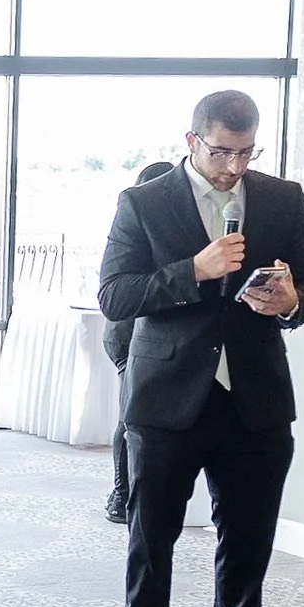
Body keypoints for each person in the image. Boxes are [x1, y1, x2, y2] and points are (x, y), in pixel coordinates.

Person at [99, 90, 304, 607]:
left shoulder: (283, 198)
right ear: (192, 140)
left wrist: (290, 304)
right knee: (152, 539)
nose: (233, 166)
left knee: (249, 539)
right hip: (167, 399)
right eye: (222, 151)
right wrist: (191, 269)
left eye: (247, 152)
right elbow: (115, 294)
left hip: (256, 400)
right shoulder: (143, 203)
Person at [105, 160, 182, 525]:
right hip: (127, 333)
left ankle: (142, 489)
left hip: (149, 334)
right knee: (131, 414)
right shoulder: (140, 225)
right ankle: (121, 493)